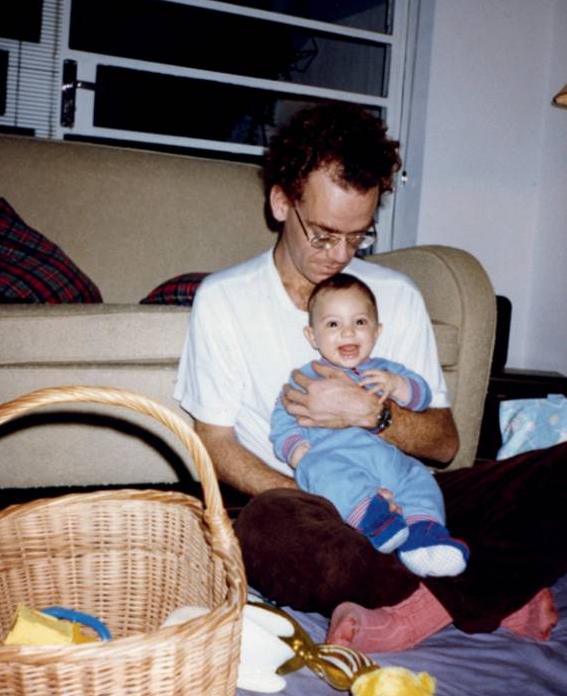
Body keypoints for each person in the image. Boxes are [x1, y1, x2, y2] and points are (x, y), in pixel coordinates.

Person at [175, 103, 564, 652]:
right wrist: (338, 500)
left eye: (358, 237)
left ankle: (425, 606)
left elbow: (445, 442)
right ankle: (487, 589)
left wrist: (371, 414)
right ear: (282, 201)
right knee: (266, 530)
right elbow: (213, 442)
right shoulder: (224, 299)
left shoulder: (393, 297)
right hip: (308, 504)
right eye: (324, 235)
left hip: (410, 492)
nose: (340, 256)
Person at [270, 272, 469, 578]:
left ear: (377, 331)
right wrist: (296, 449)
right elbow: (283, 420)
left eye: (360, 323)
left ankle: (424, 536)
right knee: (320, 471)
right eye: (333, 324)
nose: (348, 333)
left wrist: (400, 385)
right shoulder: (306, 378)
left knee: (420, 480)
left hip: (389, 461)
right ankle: (375, 519)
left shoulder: (386, 371)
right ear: (312, 336)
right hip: (337, 457)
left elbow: (422, 396)